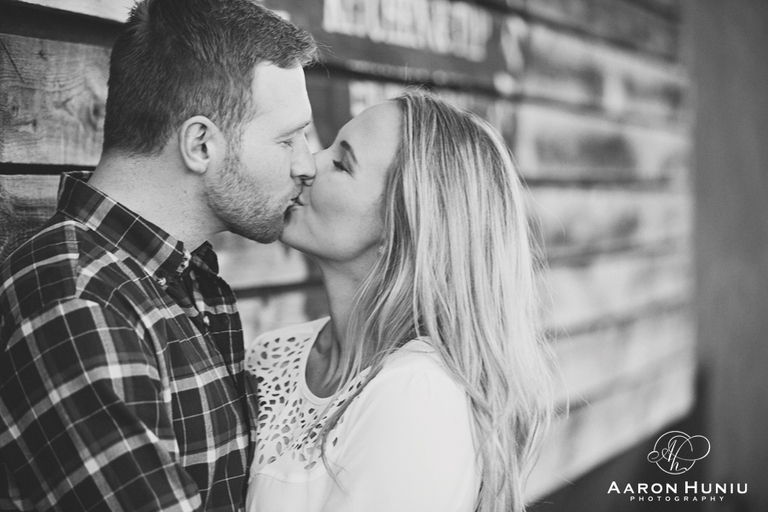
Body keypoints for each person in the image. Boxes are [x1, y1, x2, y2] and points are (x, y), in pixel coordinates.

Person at [0, 1, 317, 510]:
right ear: (200, 144)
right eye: (288, 139)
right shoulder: (80, 302)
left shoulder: (181, 279)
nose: (307, 164)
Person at [245, 91, 555, 512]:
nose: (306, 164)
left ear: (401, 225)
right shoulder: (271, 355)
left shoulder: (419, 395)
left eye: (340, 162)